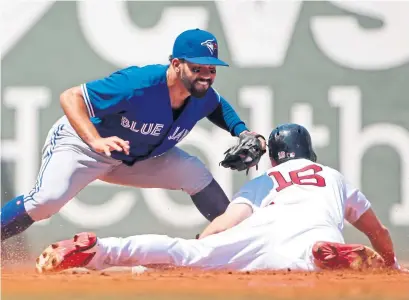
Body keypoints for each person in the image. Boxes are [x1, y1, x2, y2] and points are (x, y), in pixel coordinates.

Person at [1, 28, 266, 242]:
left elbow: (217, 105)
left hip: (133, 156)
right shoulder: (139, 83)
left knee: (194, 173)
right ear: (176, 64)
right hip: (83, 146)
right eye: (197, 68)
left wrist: (242, 131)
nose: (206, 76)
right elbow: (71, 97)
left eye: (212, 69)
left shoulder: (202, 95)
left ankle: (240, 241)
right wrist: (95, 139)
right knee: (45, 202)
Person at [35, 123, 405, 274]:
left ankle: (101, 249)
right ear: (310, 151)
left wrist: (201, 244)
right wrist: (389, 262)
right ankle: (320, 254)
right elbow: (378, 230)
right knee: (305, 263)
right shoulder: (334, 178)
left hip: (262, 228)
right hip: (314, 234)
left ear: (275, 157)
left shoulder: (268, 178)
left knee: (185, 253)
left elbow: (228, 221)